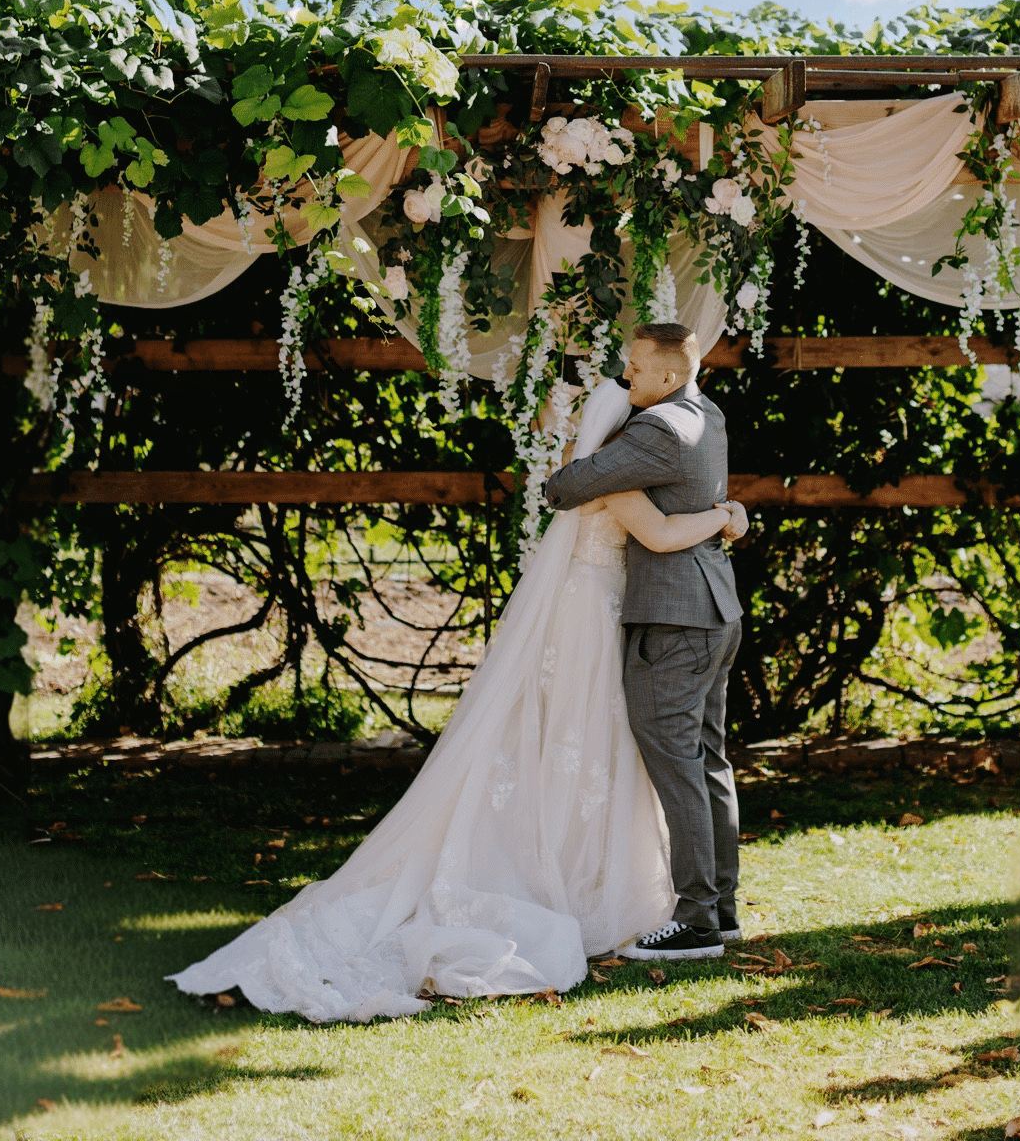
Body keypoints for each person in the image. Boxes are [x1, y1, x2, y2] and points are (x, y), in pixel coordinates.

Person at [167, 354, 746, 1022]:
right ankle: (678, 901)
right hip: (603, 613)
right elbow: (663, 530)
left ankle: (695, 905)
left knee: (633, 747)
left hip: (620, 610)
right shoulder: (619, 475)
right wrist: (728, 514)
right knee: (641, 747)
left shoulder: (622, 460)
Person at [544, 320, 742, 964]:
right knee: (708, 758)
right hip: (716, 608)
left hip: (674, 617)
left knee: (677, 763)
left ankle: (696, 923)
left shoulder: (658, 430)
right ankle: (723, 909)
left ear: (669, 375)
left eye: (635, 366)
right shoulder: (707, 412)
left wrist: (590, 460)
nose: (625, 374)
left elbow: (565, 488)